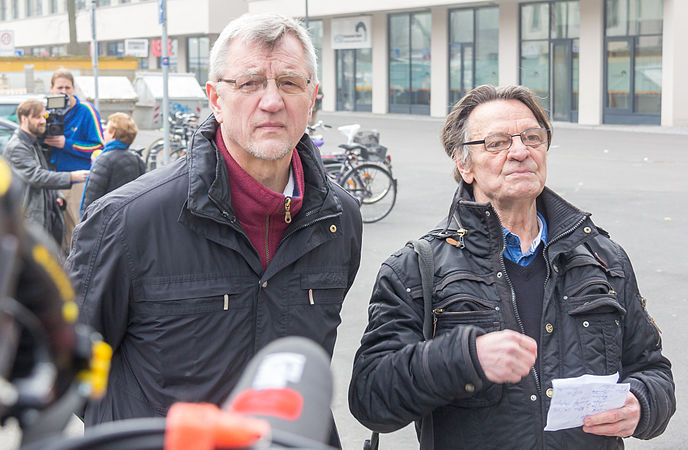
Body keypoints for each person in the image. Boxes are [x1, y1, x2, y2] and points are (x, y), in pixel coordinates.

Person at [66, 12, 362, 446]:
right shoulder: (127, 221)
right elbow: (67, 368)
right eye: (249, 83)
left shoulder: (340, 219)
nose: (272, 101)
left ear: (312, 97)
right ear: (215, 99)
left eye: (290, 83)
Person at [348, 85, 675, 448]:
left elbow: (652, 369)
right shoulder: (415, 269)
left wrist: (642, 404)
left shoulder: (602, 257)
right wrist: (464, 358)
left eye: (532, 137)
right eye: (497, 143)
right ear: (463, 164)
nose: (520, 152)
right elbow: (371, 398)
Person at [3, 99, 89, 246]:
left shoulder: (33, 143)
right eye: (38, 117)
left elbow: (43, 171)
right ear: (24, 119)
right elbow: (36, 176)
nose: (43, 121)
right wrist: (71, 176)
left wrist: (56, 195)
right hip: (29, 216)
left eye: (44, 117)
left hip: (43, 214)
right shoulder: (17, 147)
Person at [43, 69, 104, 244]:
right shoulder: (47, 111)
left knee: (78, 229)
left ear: (74, 88)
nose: (63, 92)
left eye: (67, 88)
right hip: (52, 179)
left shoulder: (85, 110)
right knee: (56, 233)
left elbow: (98, 145)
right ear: (51, 89)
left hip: (77, 181)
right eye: (59, 87)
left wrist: (66, 144)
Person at [79, 112, 145, 215]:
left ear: (113, 133)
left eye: (106, 130)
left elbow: (92, 197)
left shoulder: (103, 160)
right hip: (129, 216)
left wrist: (83, 220)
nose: (104, 133)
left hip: (106, 219)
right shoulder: (136, 158)